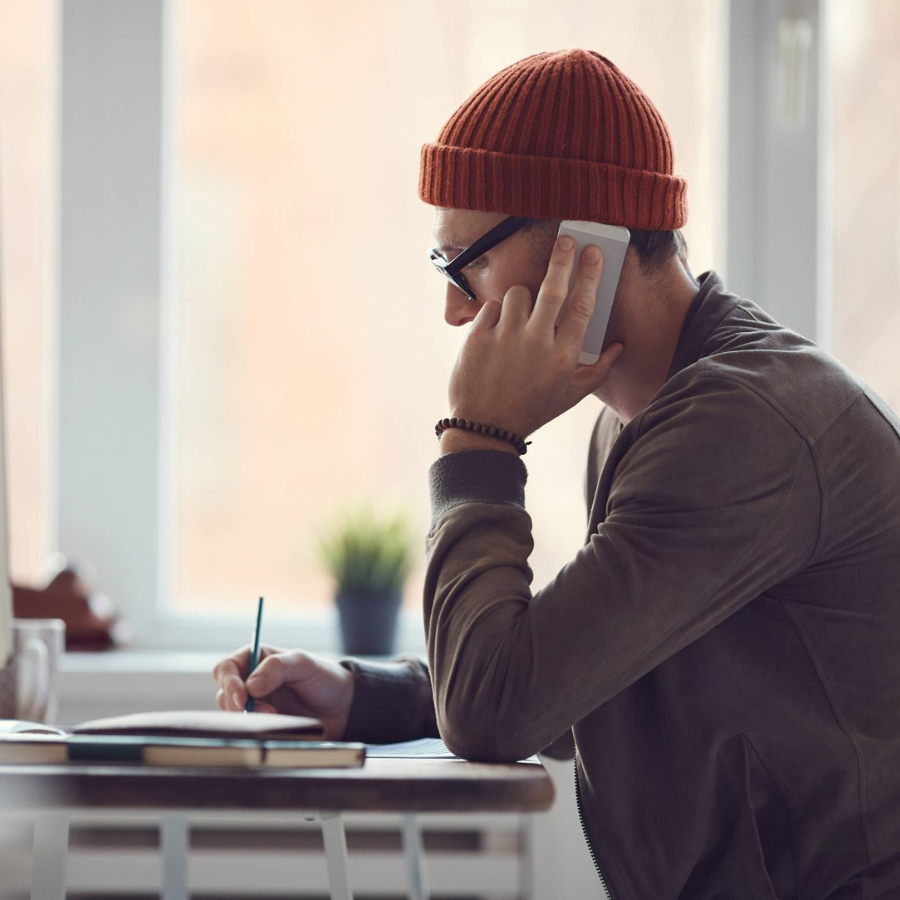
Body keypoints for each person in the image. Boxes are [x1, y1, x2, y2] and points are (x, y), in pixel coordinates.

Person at [213, 49, 900, 899]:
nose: (456, 309)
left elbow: (501, 711)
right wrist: (361, 697)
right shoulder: (642, 413)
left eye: (466, 264)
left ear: (588, 248)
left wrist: (478, 440)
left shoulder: (741, 425)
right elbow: (572, 675)